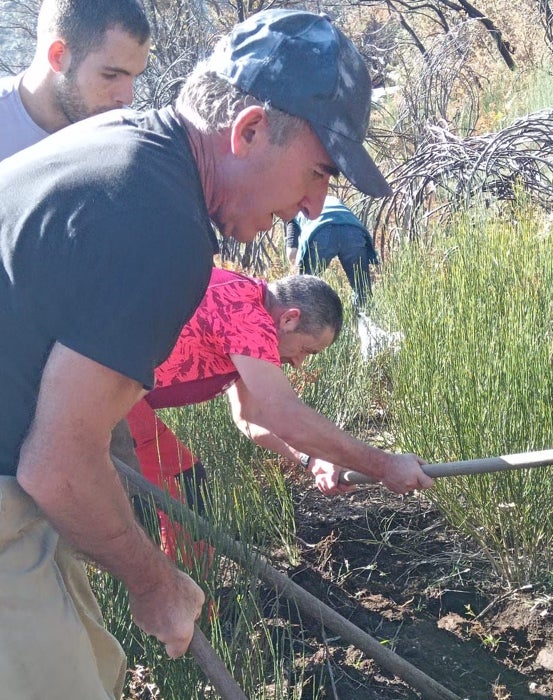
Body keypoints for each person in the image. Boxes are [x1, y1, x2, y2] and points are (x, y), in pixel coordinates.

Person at [0, 9, 431, 699]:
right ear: (250, 129)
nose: (314, 204)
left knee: (97, 668)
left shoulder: (127, 146)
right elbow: (56, 463)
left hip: (21, 467)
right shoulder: (160, 223)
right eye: (318, 171)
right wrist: (157, 586)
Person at [128, 268, 348, 559]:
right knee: (180, 494)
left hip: (121, 397)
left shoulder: (252, 317)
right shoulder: (246, 313)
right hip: (103, 390)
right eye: (306, 349)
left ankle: (189, 591)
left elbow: (250, 418)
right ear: (289, 318)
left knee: (184, 492)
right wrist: (382, 465)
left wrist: (312, 458)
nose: (299, 363)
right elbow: (286, 414)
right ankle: (184, 596)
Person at [0, 0, 151, 161]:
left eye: (134, 77)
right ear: (58, 57)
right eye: (111, 75)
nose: (127, 98)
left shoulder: (130, 139)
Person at [286, 194, 379, 308]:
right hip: (354, 231)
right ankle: (363, 322)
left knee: (307, 292)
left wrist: (297, 268)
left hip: (320, 232)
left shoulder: (293, 210)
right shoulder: (331, 199)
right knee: (362, 290)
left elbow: (291, 254)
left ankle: (312, 323)